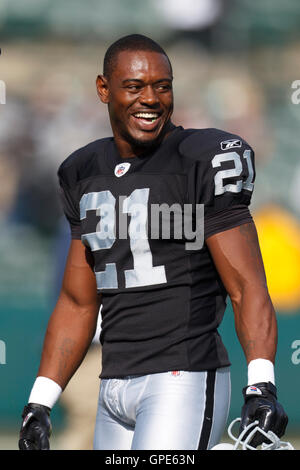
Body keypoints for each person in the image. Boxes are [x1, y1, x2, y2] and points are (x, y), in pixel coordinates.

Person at [19, 34, 288, 451]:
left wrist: (261, 383)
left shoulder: (203, 158)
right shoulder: (82, 170)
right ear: (103, 89)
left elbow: (246, 284)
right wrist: (40, 402)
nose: (151, 99)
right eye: (135, 86)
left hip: (182, 377)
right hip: (111, 383)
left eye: (163, 86)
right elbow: (77, 302)